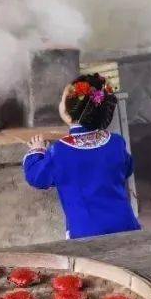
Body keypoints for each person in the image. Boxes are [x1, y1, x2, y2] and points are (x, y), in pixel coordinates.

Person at [23, 74, 140, 239]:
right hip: (126, 226)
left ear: (67, 112)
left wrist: (36, 151)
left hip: (86, 234)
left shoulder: (60, 151)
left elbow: (37, 177)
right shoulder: (115, 142)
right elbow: (127, 168)